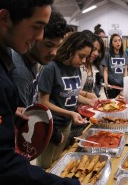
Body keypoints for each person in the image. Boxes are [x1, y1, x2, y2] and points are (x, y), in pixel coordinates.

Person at [0, 0, 80, 184]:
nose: (40, 37)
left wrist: (4, 112)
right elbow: (0, 164)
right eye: (36, 26)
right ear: (5, 18)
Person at [36, 32, 91, 169]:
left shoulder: (76, 69)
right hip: (51, 125)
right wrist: (70, 113)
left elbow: (72, 93)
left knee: (57, 162)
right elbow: (43, 102)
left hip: (66, 123)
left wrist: (89, 102)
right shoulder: (51, 68)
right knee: (45, 165)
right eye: (81, 56)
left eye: (86, 57)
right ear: (70, 49)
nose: (84, 61)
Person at [11, 10, 68, 108]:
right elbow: (20, 119)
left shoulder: (35, 59)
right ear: (34, 38)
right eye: (48, 45)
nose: (54, 53)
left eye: (58, 46)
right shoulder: (20, 72)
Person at [102, 33, 128, 98]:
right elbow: (105, 70)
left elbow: (125, 70)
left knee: (121, 103)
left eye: (119, 40)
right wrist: (105, 82)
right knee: (112, 104)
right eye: (115, 41)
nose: (118, 42)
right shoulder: (107, 55)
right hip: (111, 85)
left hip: (121, 85)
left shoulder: (124, 55)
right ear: (111, 43)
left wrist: (126, 81)